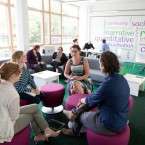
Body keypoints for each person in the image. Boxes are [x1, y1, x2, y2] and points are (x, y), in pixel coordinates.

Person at [62, 51, 130, 136]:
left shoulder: (108, 84)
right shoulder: (122, 79)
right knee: (88, 103)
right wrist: (84, 102)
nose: (99, 66)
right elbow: (96, 98)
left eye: (100, 64)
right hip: (121, 119)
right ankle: (73, 113)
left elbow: (92, 99)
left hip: (109, 125)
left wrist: (81, 100)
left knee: (80, 114)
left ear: (104, 65)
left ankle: (74, 129)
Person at [0, 62, 60, 143]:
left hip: (4, 112)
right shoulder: (13, 94)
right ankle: (40, 135)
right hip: (4, 126)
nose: (21, 75)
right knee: (32, 114)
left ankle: (45, 131)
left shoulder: (2, 83)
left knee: (34, 107)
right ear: (13, 75)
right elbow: (13, 117)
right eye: (20, 74)